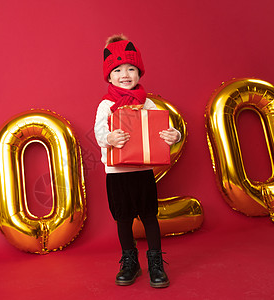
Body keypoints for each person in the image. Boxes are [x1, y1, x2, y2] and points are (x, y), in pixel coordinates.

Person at [94, 34, 181, 288]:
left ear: (139, 74)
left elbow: (166, 126)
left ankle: (155, 262)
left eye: (131, 69)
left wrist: (173, 135)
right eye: (118, 70)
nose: (125, 74)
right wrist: (109, 136)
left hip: (143, 170)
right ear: (109, 76)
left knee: (149, 216)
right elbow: (99, 132)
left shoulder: (148, 102)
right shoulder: (106, 105)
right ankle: (130, 260)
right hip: (117, 172)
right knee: (123, 219)